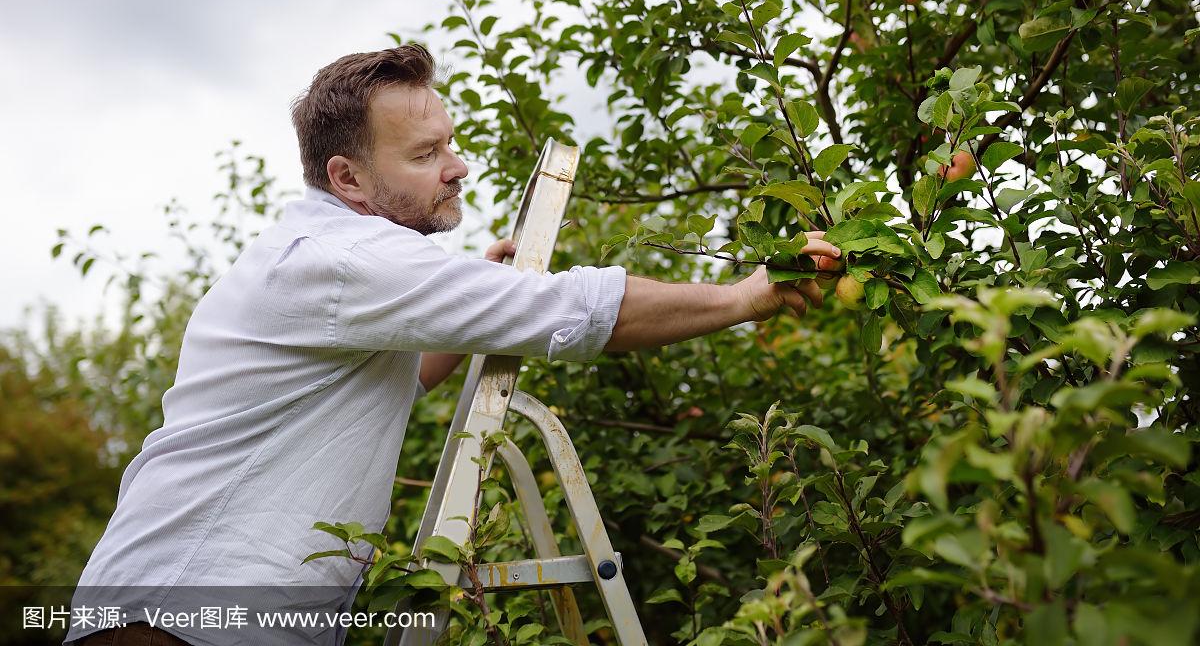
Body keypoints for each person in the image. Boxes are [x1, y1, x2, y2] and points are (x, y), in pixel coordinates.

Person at [65, 45, 841, 646]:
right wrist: (743, 297)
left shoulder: (330, 255)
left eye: (450, 143)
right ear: (349, 178)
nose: (456, 166)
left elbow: (392, 385)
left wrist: (467, 308)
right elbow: (566, 309)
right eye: (424, 155)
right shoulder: (346, 260)